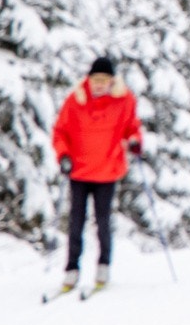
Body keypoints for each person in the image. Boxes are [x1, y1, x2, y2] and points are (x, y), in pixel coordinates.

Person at [52, 56, 143, 293]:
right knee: (76, 222)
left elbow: (132, 127)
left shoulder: (124, 101)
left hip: (107, 170)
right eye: (95, 79)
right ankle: (71, 270)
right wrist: (63, 156)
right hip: (79, 171)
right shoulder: (76, 100)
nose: (99, 84)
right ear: (89, 79)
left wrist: (134, 141)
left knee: (102, 222)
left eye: (104, 80)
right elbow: (60, 132)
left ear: (112, 81)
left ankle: (103, 266)